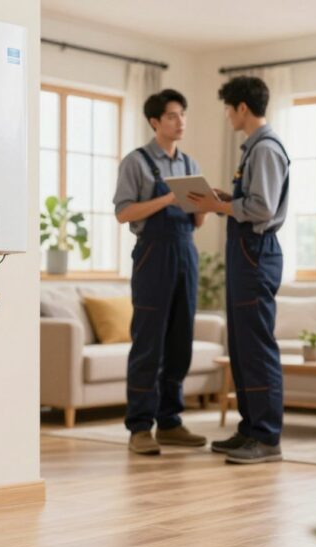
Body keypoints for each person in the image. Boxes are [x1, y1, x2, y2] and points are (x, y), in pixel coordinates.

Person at [187, 76, 291, 464]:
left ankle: (266, 437)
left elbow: (263, 209)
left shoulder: (264, 149)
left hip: (255, 251)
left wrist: (220, 207)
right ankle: (249, 429)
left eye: (229, 108)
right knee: (242, 346)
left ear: (242, 108)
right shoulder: (256, 149)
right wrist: (229, 200)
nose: (228, 116)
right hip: (247, 251)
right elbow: (256, 200)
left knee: (257, 346)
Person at [113, 89, 207, 455]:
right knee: (148, 341)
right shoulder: (135, 163)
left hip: (186, 251)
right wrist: (168, 198)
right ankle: (140, 427)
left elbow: (196, 222)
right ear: (155, 122)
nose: (180, 121)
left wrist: (204, 204)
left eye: (182, 115)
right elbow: (123, 213)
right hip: (152, 254)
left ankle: (170, 421)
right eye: (172, 116)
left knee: (181, 340)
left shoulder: (189, 164)